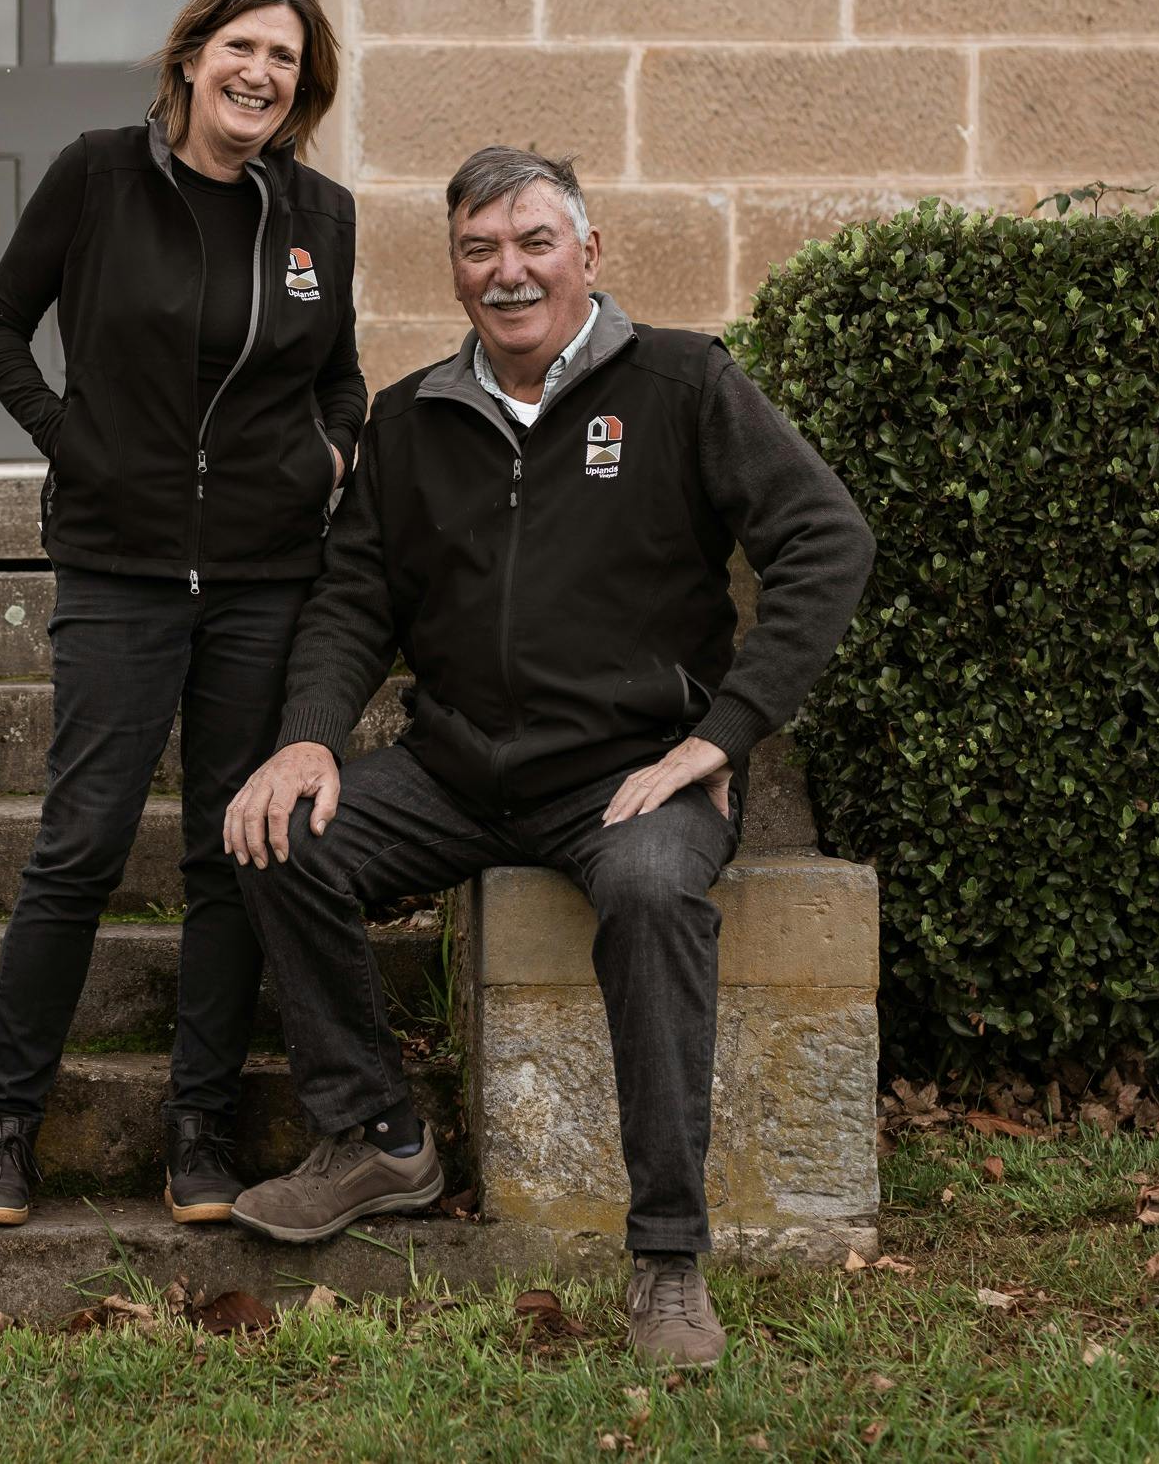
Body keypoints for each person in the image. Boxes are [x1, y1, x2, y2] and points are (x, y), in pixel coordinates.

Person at [218, 145, 874, 1367]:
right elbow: (354, 597)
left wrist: (722, 732)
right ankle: (378, 1138)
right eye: (480, 248)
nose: (507, 271)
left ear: (587, 253)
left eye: (532, 242)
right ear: (456, 267)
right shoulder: (413, 420)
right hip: (457, 770)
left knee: (646, 891)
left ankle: (668, 1260)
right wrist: (306, 737)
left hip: (630, 776)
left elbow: (825, 540)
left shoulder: (682, 380)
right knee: (274, 835)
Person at [0, 0, 362, 1229]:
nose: (260, 73)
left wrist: (328, 456)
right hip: (120, 567)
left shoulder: (318, 216)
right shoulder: (96, 174)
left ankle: (199, 1129)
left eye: (285, 59)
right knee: (77, 848)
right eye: (242, 45)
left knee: (228, 854)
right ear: (190, 57)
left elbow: (339, 377)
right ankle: (5, 1125)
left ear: (303, 84)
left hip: (261, 577)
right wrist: (72, 441)